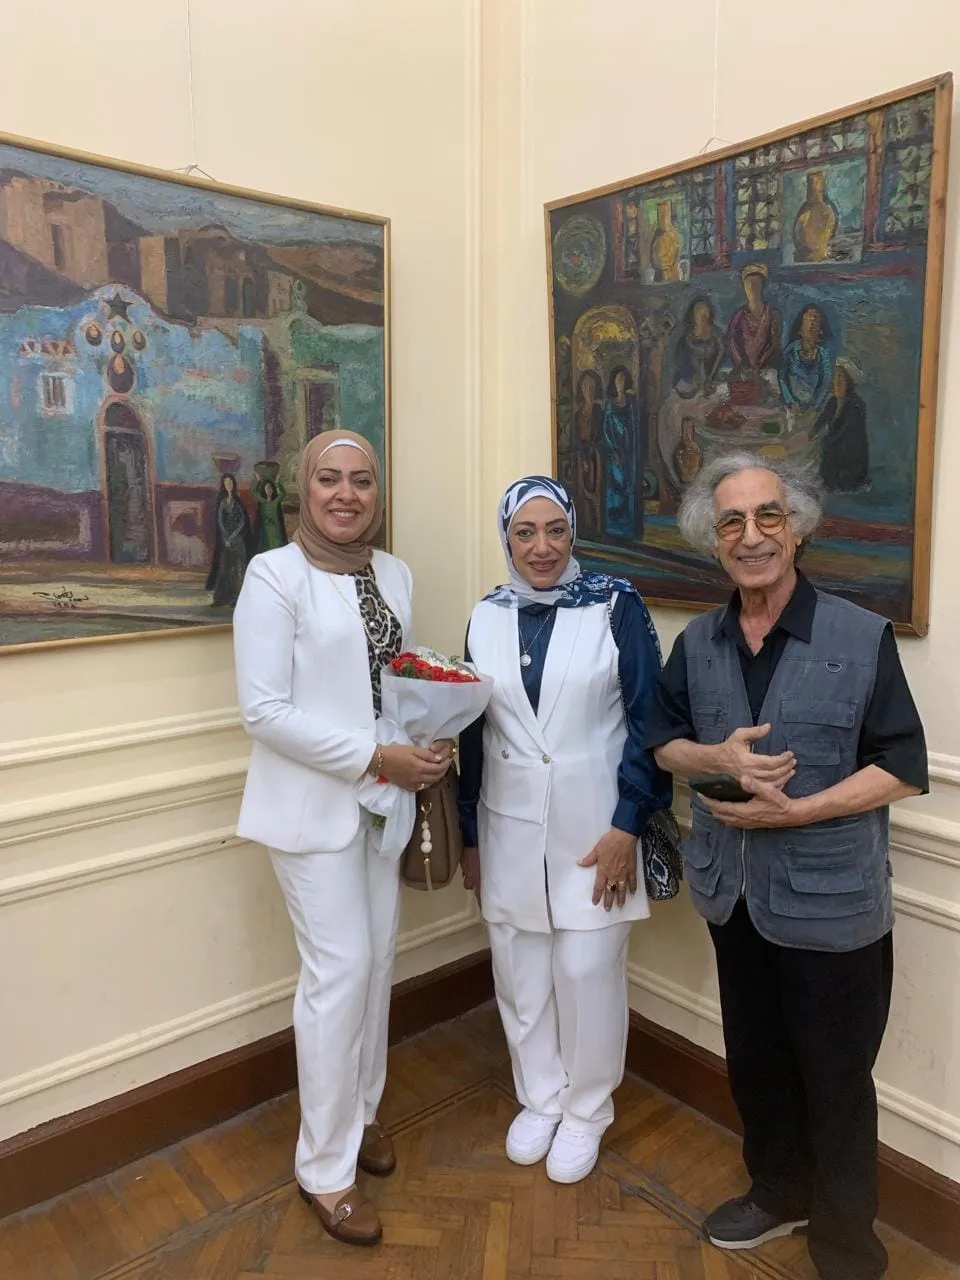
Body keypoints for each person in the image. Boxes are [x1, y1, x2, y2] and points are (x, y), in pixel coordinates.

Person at [646, 452, 927, 1280]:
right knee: (758, 1062)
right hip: (733, 899)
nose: (751, 535)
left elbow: (903, 767)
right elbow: (661, 743)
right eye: (731, 521)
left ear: (798, 527)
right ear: (713, 541)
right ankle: (777, 1191)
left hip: (834, 907)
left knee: (836, 1081)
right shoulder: (698, 642)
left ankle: (846, 1245)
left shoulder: (859, 635)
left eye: (768, 515)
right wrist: (713, 754)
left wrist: (801, 810)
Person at [232, 430, 452, 1247]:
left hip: (383, 804)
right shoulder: (272, 576)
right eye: (330, 478)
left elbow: (394, 684)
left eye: (362, 481)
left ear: (377, 495)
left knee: (378, 964)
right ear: (305, 487)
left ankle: (359, 1116)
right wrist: (372, 755)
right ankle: (324, 1170)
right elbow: (264, 711)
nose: (346, 494)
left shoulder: (393, 573)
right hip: (310, 810)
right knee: (340, 974)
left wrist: (429, 734)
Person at [458, 476, 673, 1185]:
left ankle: (586, 1109)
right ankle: (541, 1096)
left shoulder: (616, 604)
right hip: (507, 826)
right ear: (507, 539)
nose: (541, 547)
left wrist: (628, 825)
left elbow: (649, 722)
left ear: (573, 531)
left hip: (597, 826)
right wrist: (469, 835)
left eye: (555, 530)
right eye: (525, 532)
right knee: (520, 973)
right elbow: (471, 736)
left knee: (587, 971)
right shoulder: (485, 615)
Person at [812, 356, 870, 492]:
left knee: (828, 452)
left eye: (841, 378)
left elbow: (842, 431)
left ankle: (840, 484)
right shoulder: (833, 401)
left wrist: (824, 441)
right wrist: (813, 431)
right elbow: (823, 418)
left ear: (849, 383)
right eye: (835, 377)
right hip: (834, 447)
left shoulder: (856, 406)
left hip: (850, 455)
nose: (836, 382)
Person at [602, 366, 641, 539]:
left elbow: (636, 427)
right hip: (615, 453)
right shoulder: (609, 405)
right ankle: (613, 527)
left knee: (629, 485)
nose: (620, 383)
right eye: (618, 380)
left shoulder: (631, 403)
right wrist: (612, 451)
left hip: (629, 451)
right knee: (616, 485)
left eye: (623, 380)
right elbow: (605, 431)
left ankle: (629, 527)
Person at [725, 264, 782, 379]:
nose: (751, 287)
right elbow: (731, 342)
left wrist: (759, 365)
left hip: (767, 369)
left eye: (756, 283)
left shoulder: (772, 314)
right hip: (743, 370)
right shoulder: (738, 315)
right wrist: (741, 364)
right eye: (748, 284)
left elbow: (774, 344)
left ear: (762, 286)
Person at [206, 474, 252, 606]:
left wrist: (233, 536)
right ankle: (222, 598)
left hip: (238, 540)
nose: (228, 485)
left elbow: (242, 521)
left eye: (230, 483)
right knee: (225, 568)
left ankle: (238, 598)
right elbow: (220, 521)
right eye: (226, 483)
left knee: (239, 569)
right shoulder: (222, 502)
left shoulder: (238, 502)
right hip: (225, 541)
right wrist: (226, 537)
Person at [779, 304, 834, 413]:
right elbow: (782, 377)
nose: (812, 322)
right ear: (800, 328)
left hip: (813, 407)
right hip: (790, 406)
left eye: (816, 319)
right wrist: (790, 401)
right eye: (808, 319)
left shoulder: (823, 355)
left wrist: (814, 406)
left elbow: (825, 384)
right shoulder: (791, 350)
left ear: (821, 330)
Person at [673, 295, 724, 398]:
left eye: (705, 311)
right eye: (699, 312)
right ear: (693, 315)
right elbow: (680, 361)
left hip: (714, 378)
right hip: (692, 381)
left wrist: (711, 378)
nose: (702, 315)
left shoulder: (716, 333)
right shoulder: (687, 337)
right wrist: (692, 376)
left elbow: (721, 354)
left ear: (709, 313)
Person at [573, 369, 604, 536]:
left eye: (591, 386)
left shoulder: (599, 411)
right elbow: (576, 440)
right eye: (585, 386)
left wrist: (593, 454)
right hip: (582, 458)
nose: (588, 389)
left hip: (597, 458)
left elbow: (602, 437)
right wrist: (583, 458)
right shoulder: (578, 414)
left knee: (596, 492)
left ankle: (599, 526)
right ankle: (585, 525)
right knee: (582, 492)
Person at [251, 473, 289, 553]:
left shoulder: (275, 502)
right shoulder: (262, 502)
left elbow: (283, 493)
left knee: (276, 548)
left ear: (272, 489)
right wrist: (258, 481)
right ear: (264, 490)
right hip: (265, 530)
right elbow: (254, 492)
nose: (268, 490)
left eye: (270, 488)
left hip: (275, 529)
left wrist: (277, 482)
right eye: (267, 488)